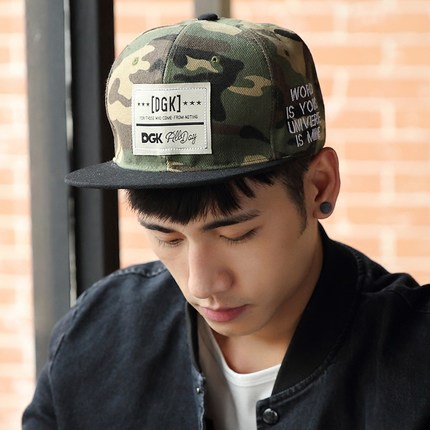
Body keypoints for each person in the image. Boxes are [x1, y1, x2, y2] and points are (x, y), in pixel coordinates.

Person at [23, 14, 430, 430]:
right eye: (167, 237)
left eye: (237, 234)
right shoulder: (96, 334)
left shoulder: (414, 360)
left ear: (319, 187)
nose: (201, 285)